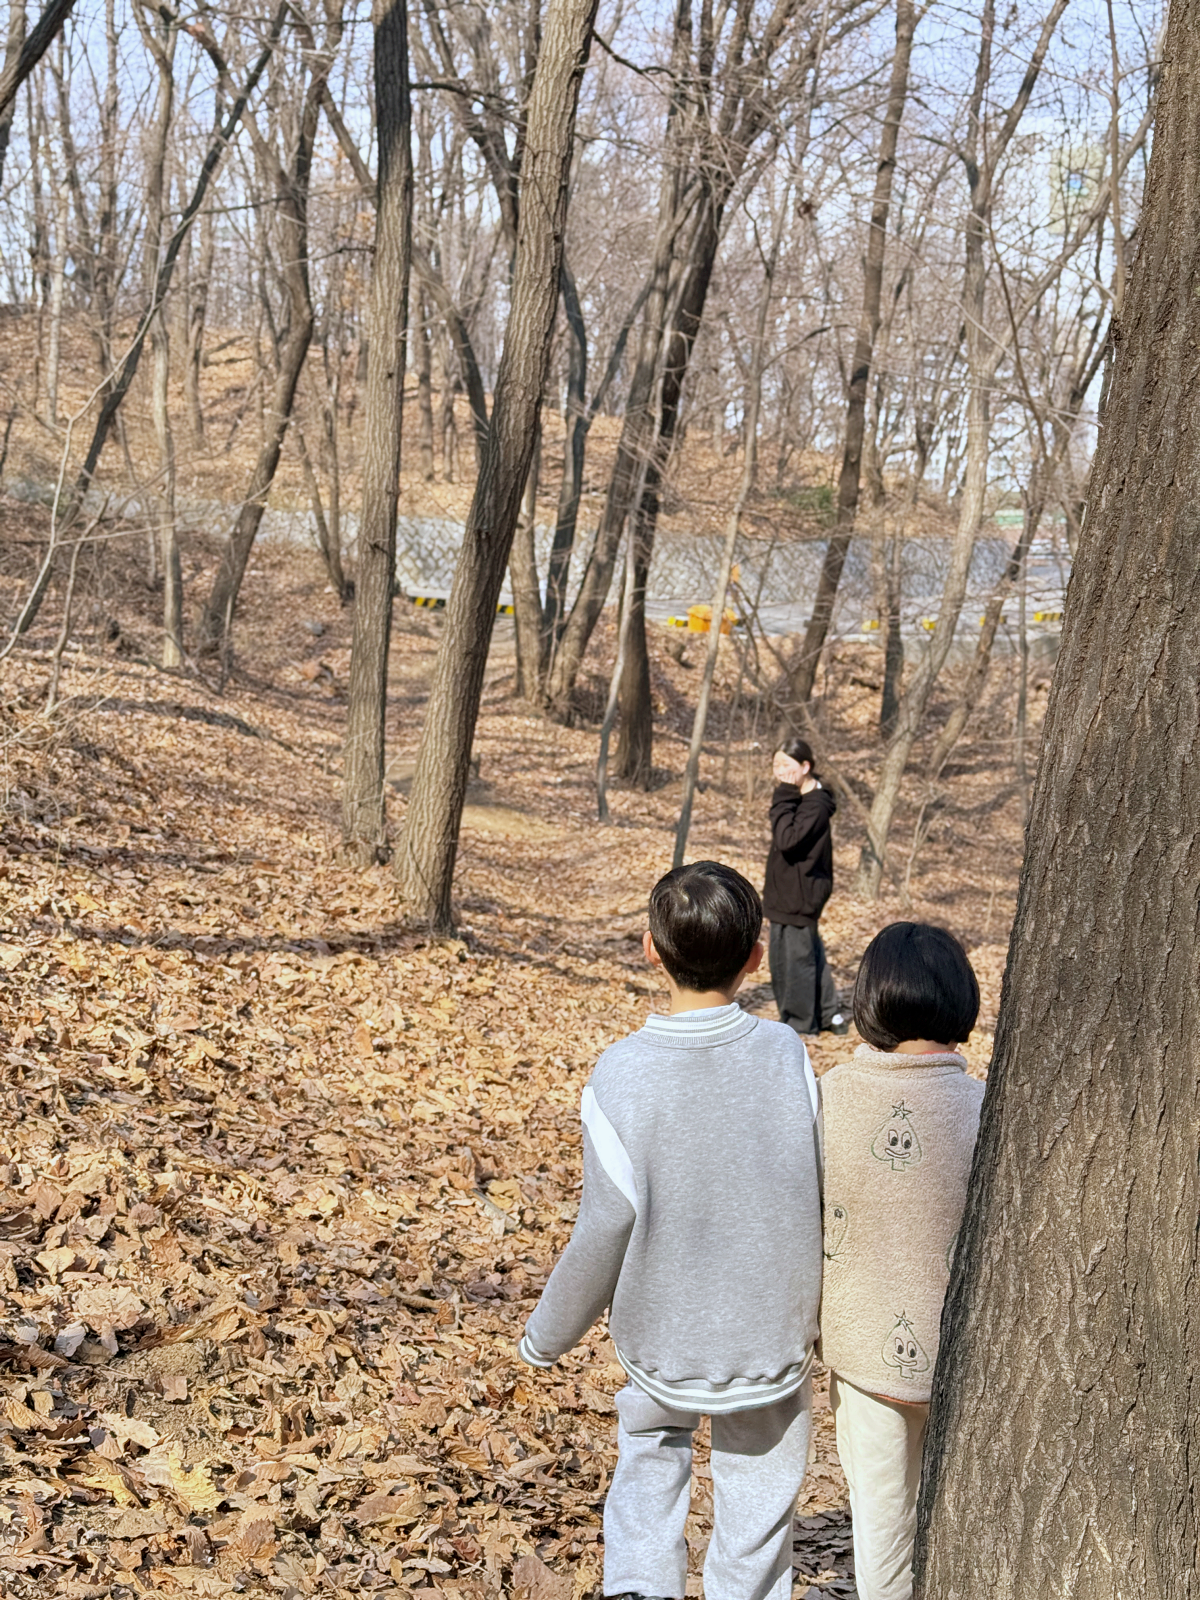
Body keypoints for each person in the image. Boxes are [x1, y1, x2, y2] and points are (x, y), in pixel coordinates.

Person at [518, 860, 824, 1600]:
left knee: (651, 1453)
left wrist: (547, 1336)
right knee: (758, 1494)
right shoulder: (788, 1054)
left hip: (662, 1330)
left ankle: (641, 1587)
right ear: (757, 957)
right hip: (769, 1331)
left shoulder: (620, 1073)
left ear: (650, 950)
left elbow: (604, 1225)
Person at [818, 922, 984, 1600]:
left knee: (883, 1539)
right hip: (970, 1363)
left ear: (870, 1000)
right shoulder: (989, 1107)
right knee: (968, 1532)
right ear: (961, 1000)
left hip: (865, 1361)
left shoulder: (829, 1097)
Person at [763, 737, 847, 1036]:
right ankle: (829, 1015)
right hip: (788, 891)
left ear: (805, 766)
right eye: (776, 764)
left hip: (801, 893)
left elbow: (787, 840)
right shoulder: (800, 797)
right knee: (808, 952)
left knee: (793, 961)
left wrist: (783, 795)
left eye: (786, 765)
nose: (780, 772)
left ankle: (799, 1025)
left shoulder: (815, 804)